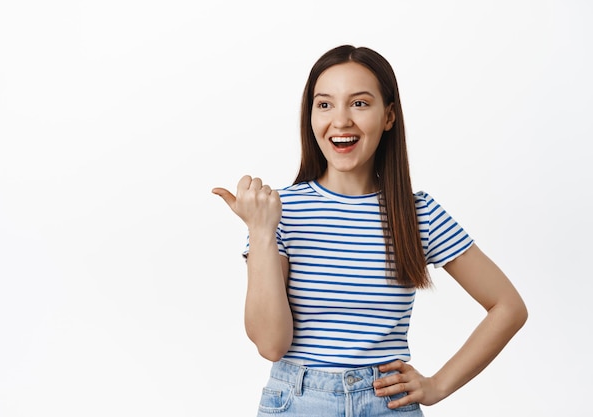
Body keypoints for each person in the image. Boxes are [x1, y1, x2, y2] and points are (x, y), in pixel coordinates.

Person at [212, 45, 527, 416]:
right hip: (297, 402)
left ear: (389, 116)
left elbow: (508, 307)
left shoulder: (417, 213)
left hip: (387, 403)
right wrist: (262, 232)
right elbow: (270, 344)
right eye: (324, 104)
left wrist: (438, 385)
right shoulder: (278, 212)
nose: (341, 120)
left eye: (359, 104)